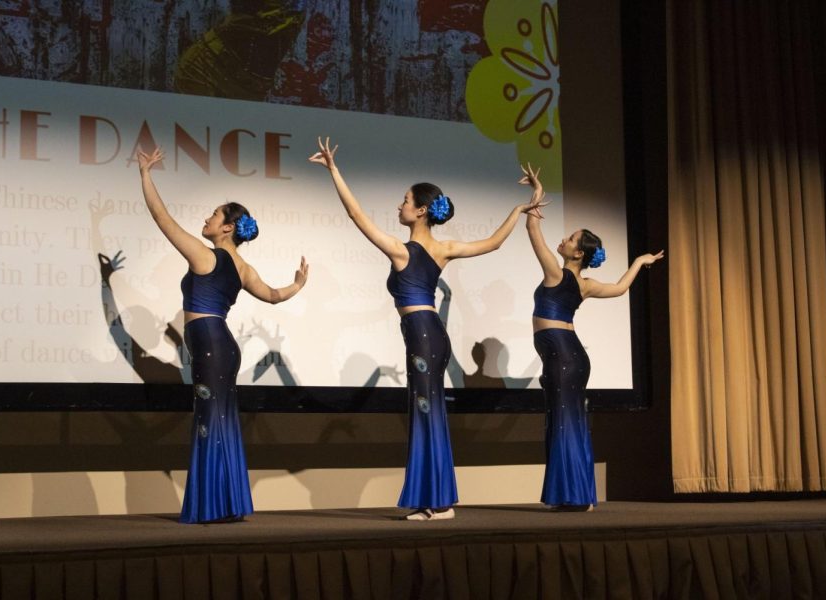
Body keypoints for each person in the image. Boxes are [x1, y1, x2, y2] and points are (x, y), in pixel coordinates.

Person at [309, 138, 545, 520]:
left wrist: (334, 171)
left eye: (404, 201)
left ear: (420, 211)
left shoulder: (405, 251)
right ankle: (436, 499)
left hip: (423, 332)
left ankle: (437, 501)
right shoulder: (443, 248)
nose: (398, 206)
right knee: (427, 411)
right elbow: (496, 243)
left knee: (425, 411)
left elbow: (357, 217)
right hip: (428, 332)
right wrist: (520, 207)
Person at [137, 147, 308, 523]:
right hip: (221, 345)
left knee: (209, 419)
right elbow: (274, 297)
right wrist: (297, 284)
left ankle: (212, 507)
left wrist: (146, 174)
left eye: (213, 215)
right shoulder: (243, 267)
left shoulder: (205, 256)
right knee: (221, 420)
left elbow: (161, 218)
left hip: (212, 344)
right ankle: (224, 503)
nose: (207, 218)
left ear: (228, 227)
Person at [524, 188, 663, 510]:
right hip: (567, 356)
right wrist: (639, 262)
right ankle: (573, 494)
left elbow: (533, 232)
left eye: (571, 239)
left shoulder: (558, 274)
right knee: (564, 421)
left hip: (564, 356)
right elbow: (619, 287)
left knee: (564, 422)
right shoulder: (583, 284)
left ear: (578, 255)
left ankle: (575, 495)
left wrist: (536, 197)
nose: (564, 240)